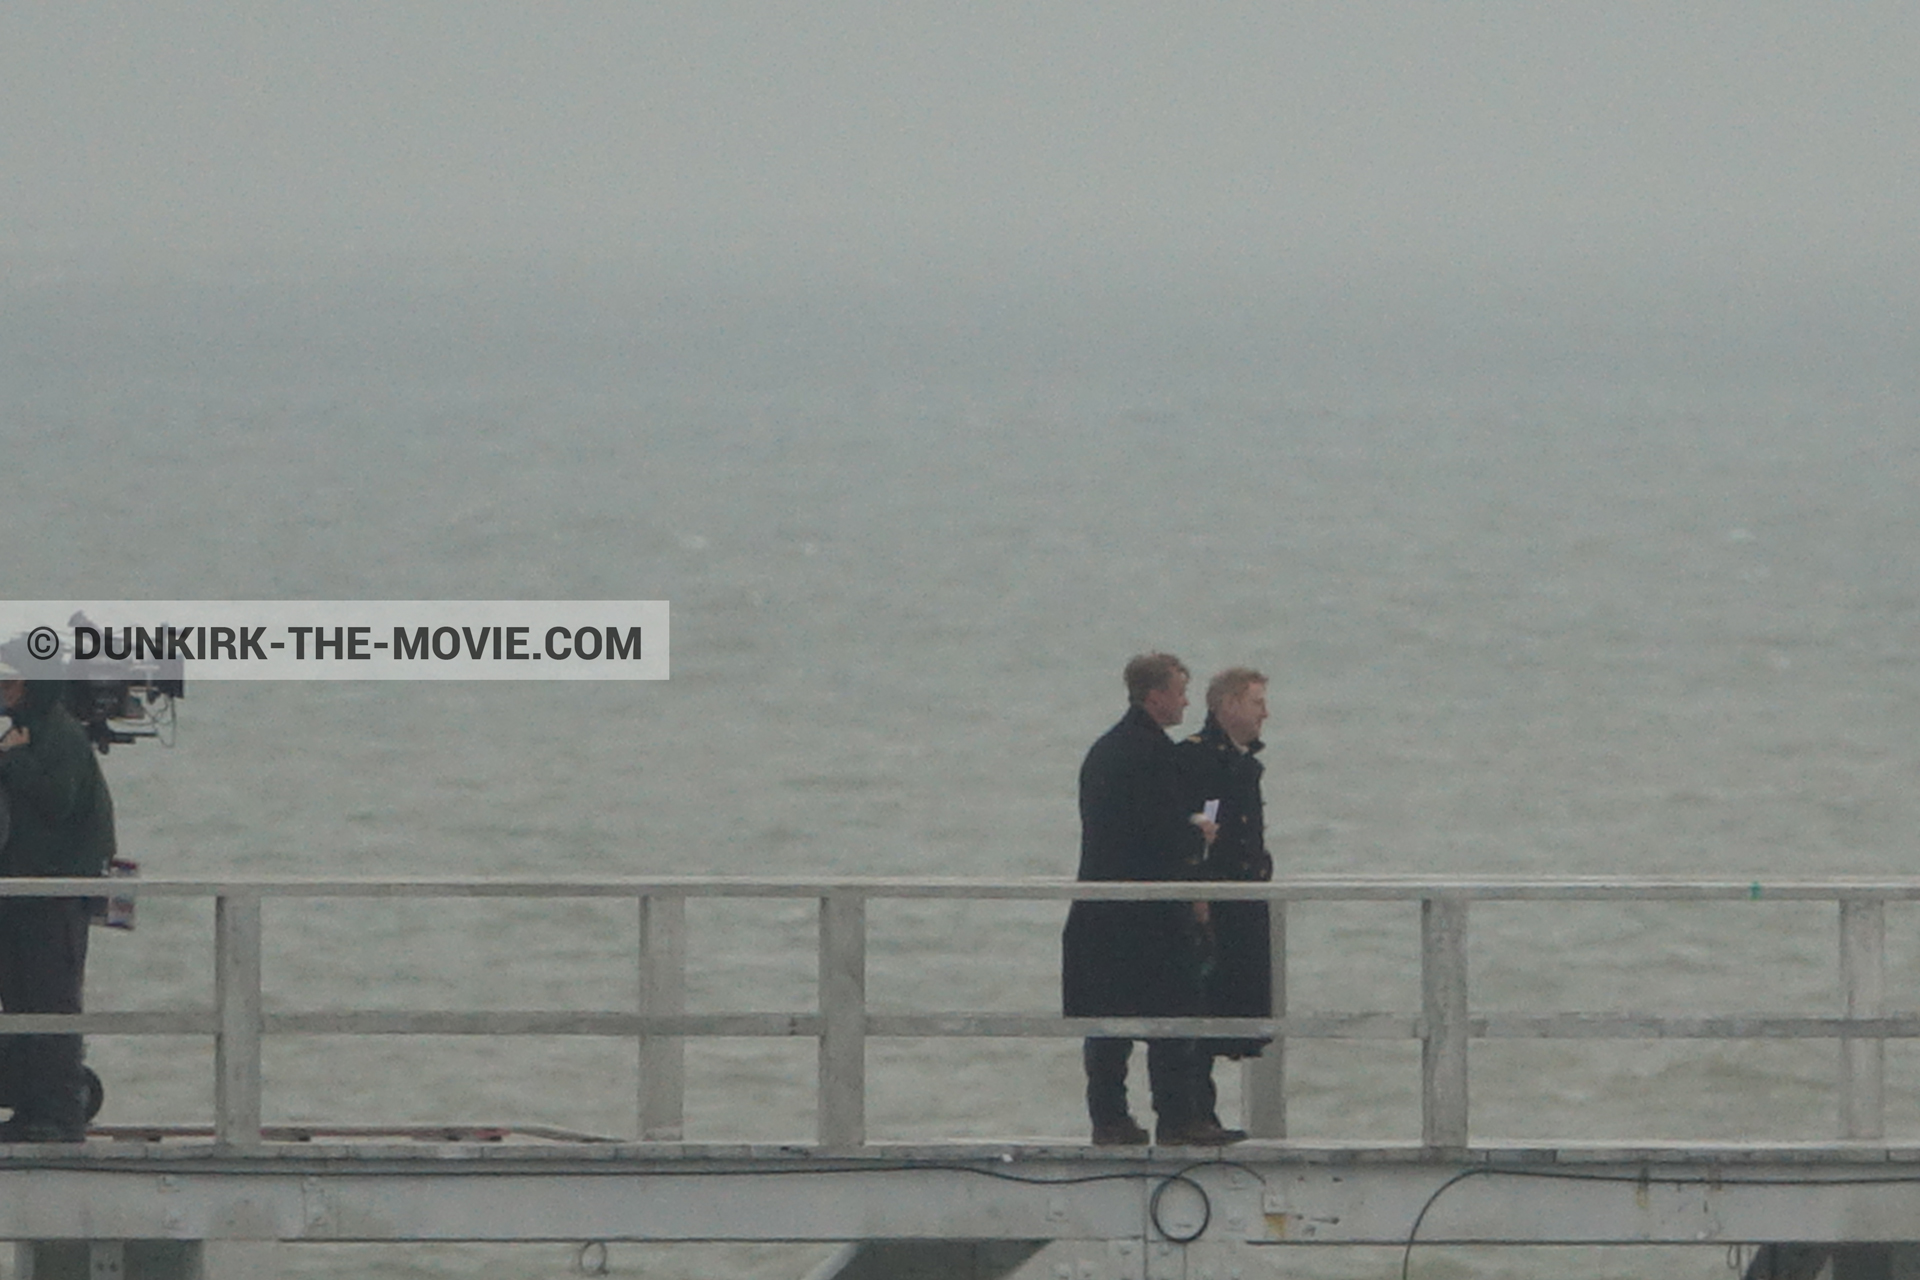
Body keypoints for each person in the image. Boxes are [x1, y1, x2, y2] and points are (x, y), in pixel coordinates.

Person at [1063, 652, 1239, 1146]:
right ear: (1156, 695)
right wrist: (1197, 834)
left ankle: (1110, 1118)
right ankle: (1178, 1118)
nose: (1186, 702)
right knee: (1171, 1016)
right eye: (1181, 691)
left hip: (1101, 906)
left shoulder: (1107, 750)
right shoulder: (1151, 754)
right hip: (1148, 913)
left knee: (1107, 1024)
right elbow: (1159, 833)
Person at [0, 668, 116, 1142]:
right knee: (24, 1000)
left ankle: (58, 1114)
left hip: (54, 896)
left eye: (10, 685)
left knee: (49, 999)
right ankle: (32, 1109)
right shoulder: (30, 731)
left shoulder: (58, 735)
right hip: (26, 895)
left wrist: (12, 758)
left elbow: (56, 800)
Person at [1178, 667, 1273, 1134]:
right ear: (1228, 705)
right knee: (1203, 1008)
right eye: (1257, 703)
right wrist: (1199, 893)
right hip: (1215, 906)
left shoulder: (1239, 762)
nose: (1265, 714)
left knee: (1225, 1011)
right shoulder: (1202, 761)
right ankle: (1196, 1115)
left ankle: (1203, 1113)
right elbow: (1202, 831)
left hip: (1241, 901)